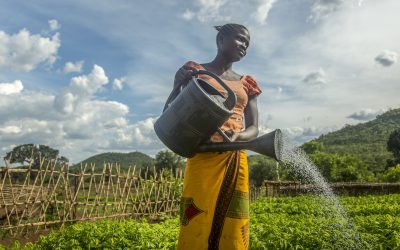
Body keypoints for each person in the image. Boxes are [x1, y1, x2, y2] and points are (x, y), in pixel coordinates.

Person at [174, 23, 262, 250]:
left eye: (247, 43)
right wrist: (177, 84)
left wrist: (238, 136)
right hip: (202, 155)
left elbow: (254, 128)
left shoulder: (247, 84)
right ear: (221, 39)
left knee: (234, 221)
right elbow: (175, 113)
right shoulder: (195, 72)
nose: (244, 46)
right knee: (196, 216)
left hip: (234, 158)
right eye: (240, 39)